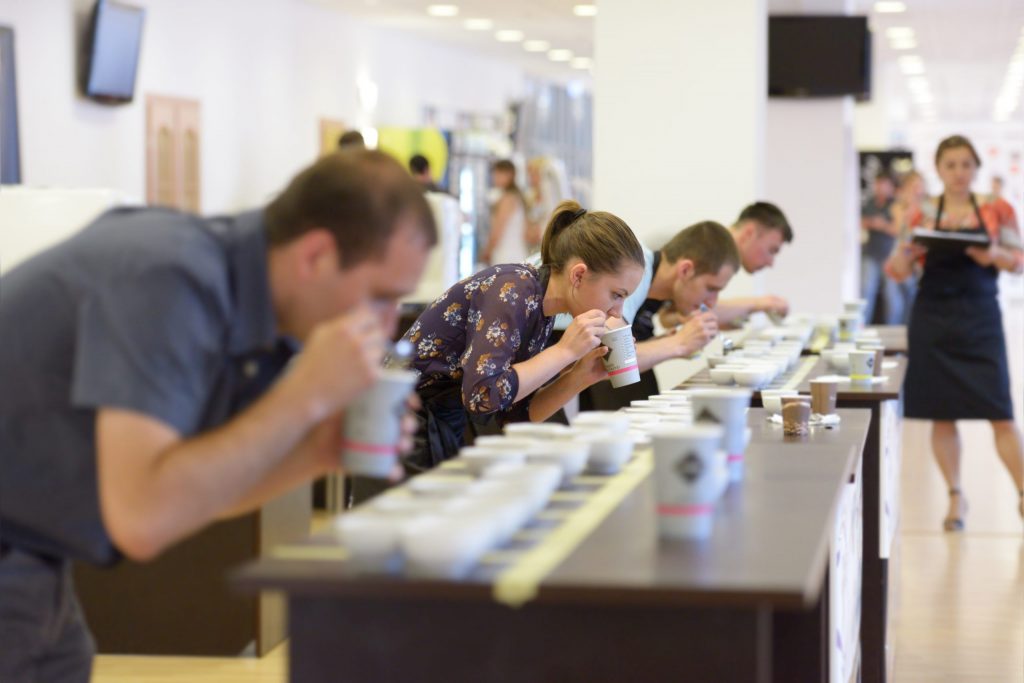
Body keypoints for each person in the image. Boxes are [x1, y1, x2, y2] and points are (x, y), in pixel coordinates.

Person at [0, 150, 436, 682]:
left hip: (36, 554)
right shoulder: (170, 279)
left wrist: (319, 452)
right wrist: (304, 395)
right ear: (317, 255)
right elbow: (143, 518)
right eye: (381, 297)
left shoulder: (254, 310)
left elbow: (204, 491)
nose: (388, 325)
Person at [403, 201, 645, 468]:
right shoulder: (513, 288)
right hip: (400, 420)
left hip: (438, 424)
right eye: (616, 295)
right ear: (578, 275)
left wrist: (581, 376)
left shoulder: (542, 312)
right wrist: (564, 351)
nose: (617, 311)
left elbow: (516, 416)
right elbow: (482, 395)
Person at [886, 134, 1024, 531]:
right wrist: (908, 253)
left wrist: (992, 255)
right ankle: (955, 498)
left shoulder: (997, 208)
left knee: (1001, 413)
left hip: (981, 317)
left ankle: (1022, 493)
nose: (959, 172)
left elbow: (1018, 262)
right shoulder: (920, 213)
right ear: (939, 169)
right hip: (933, 318)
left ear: (976, 167)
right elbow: (897, 271)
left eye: (966, 164)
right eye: (951, 165)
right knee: (941, 414)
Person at [860, 172, 904, 325]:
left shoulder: (896, 205)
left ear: (891, 186)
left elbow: (899, 229)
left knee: (892, 295)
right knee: (866, 291)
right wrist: (871, 223)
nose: (880, 187)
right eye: (878, 183)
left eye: (884, 184)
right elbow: (859, 222)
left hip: (890, 256)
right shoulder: (869, 203)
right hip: (871, 253)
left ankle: (893, 328)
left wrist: (882, 225)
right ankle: (862, 326)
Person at [480, 159, 528, 266]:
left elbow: (498, 229)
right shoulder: (517, 196)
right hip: (517, 252)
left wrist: (487, 250)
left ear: (509, 175)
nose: (495, 177)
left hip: (506, 255)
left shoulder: (507, 199)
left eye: (498, 174)